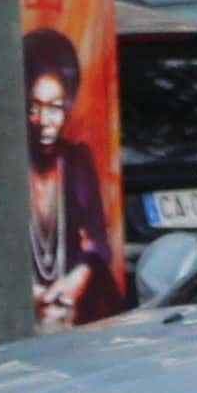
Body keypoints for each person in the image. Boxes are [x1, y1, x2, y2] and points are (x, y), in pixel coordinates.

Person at [23, 28, 122, 328]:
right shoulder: (7, 168)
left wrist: (71, 287)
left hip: (79, 312)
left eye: (55, 107)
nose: (45, 122)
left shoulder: (77, 162)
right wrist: (30, 296)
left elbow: (98, 246)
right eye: (33, 108)